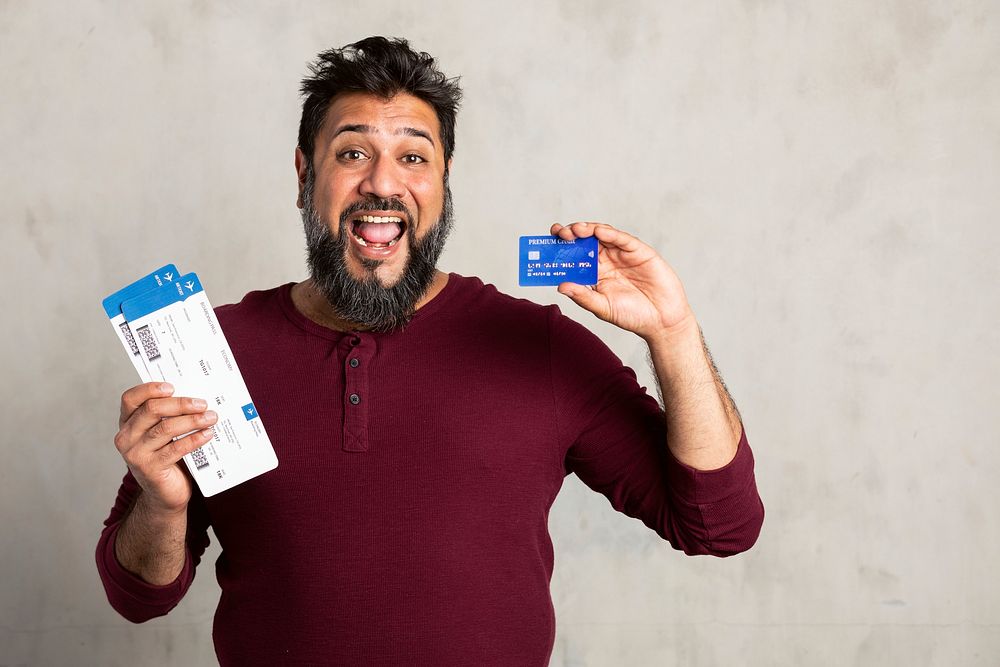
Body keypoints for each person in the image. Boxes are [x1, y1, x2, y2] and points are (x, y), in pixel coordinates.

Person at [97, 36, 764, 666]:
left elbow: (720, 523)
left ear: (443, 186)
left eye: (414, 156)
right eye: (353, 152)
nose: (383, 183)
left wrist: (672, 332)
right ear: (305, 175)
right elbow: (138, 595)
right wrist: (160, 504)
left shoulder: (542, 346)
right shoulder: (215, 353)